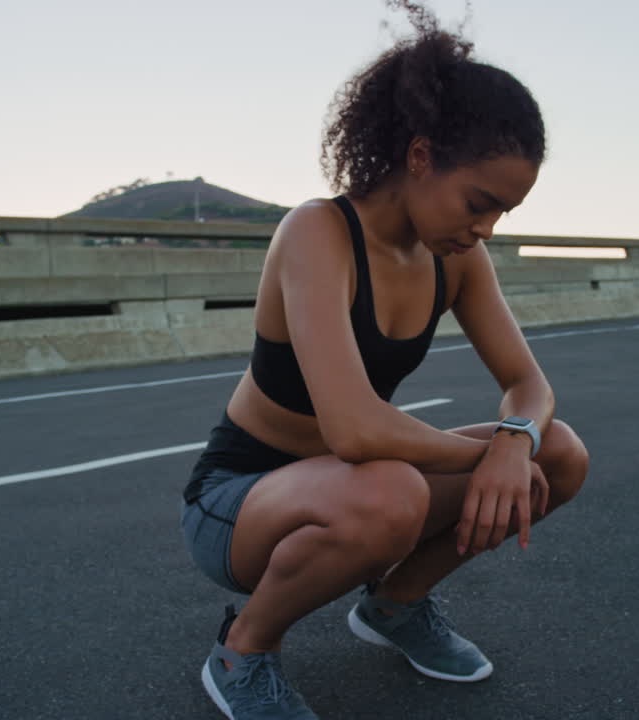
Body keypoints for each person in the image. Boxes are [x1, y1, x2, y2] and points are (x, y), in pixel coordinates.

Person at [178, 3, 589, 717]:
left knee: (559, 451)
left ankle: (394, 609)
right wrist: (487, 457)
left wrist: (517, 441)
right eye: (478, 202)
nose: (485, 227)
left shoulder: (458, 259)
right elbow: (356, 433)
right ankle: (242, 651)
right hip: (239, 501)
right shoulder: (317, 233)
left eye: (502, 214)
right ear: (421, 157)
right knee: (391, 492)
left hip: (356, 486)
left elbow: (528, 386)